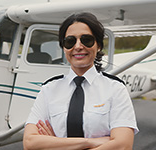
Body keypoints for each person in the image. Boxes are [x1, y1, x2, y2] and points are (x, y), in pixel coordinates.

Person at [23, 12, 139, 150]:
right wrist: (89, 142)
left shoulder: (115, 88)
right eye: (70, 41)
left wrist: (56, 143)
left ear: (99, 45)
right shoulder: (48, 89)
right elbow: (30, 143)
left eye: (86, 40)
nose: (78, 46)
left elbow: (123, 145)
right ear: (64, 47)